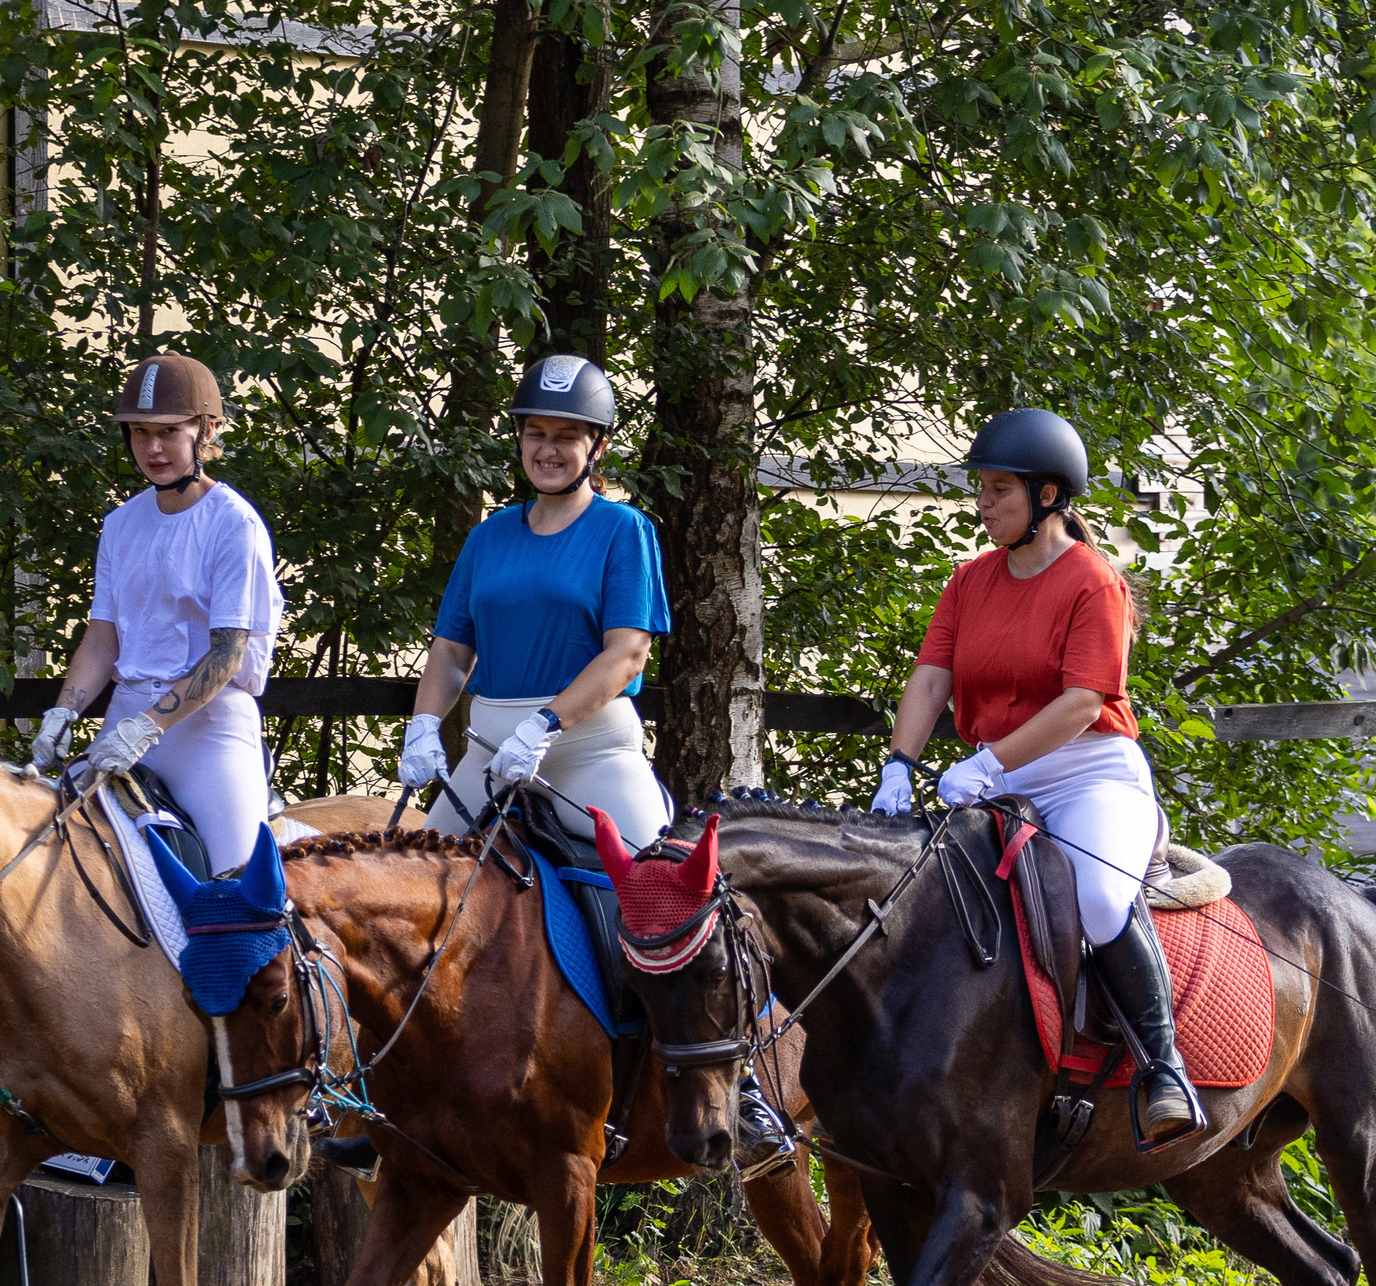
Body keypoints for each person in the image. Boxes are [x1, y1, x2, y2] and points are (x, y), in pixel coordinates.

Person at [398, 353, 795, 1177]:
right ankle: (386, 1098)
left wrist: (547, 722)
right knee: (409, 901)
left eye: (566, 436)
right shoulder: (488, 537)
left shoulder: (623, 532)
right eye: (535, 434)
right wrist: (425, 724)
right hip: (491, 750)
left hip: (588, 749)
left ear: (597, 446)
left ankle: (750, 1086)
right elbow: (451, 649)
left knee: (673, 901)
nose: (548, 449)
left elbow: (626, 654)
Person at [871, 407, 1201, 1148]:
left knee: (1100, 897)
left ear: (1047, 496)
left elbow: (1083, 703)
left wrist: (988, 762)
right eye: (980, 490)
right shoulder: (969, 581)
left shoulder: (1094, 583)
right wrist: (899, 764)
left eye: (998, 491)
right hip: (994, 780)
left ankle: (1163, 1066)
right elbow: (931, 678)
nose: (982, 505)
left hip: (1088, 774)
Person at [32, 352, 284, 876]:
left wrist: (147, 728)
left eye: (169, 431)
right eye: (140, 432)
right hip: (124, 721)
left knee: (240, 888)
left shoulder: (233, 524)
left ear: (205, 430)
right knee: (45, 857)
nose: (151, 448)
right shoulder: (121, 524)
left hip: (207, 731)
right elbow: (103, 639)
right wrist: (63, 714)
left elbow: (226, 653)